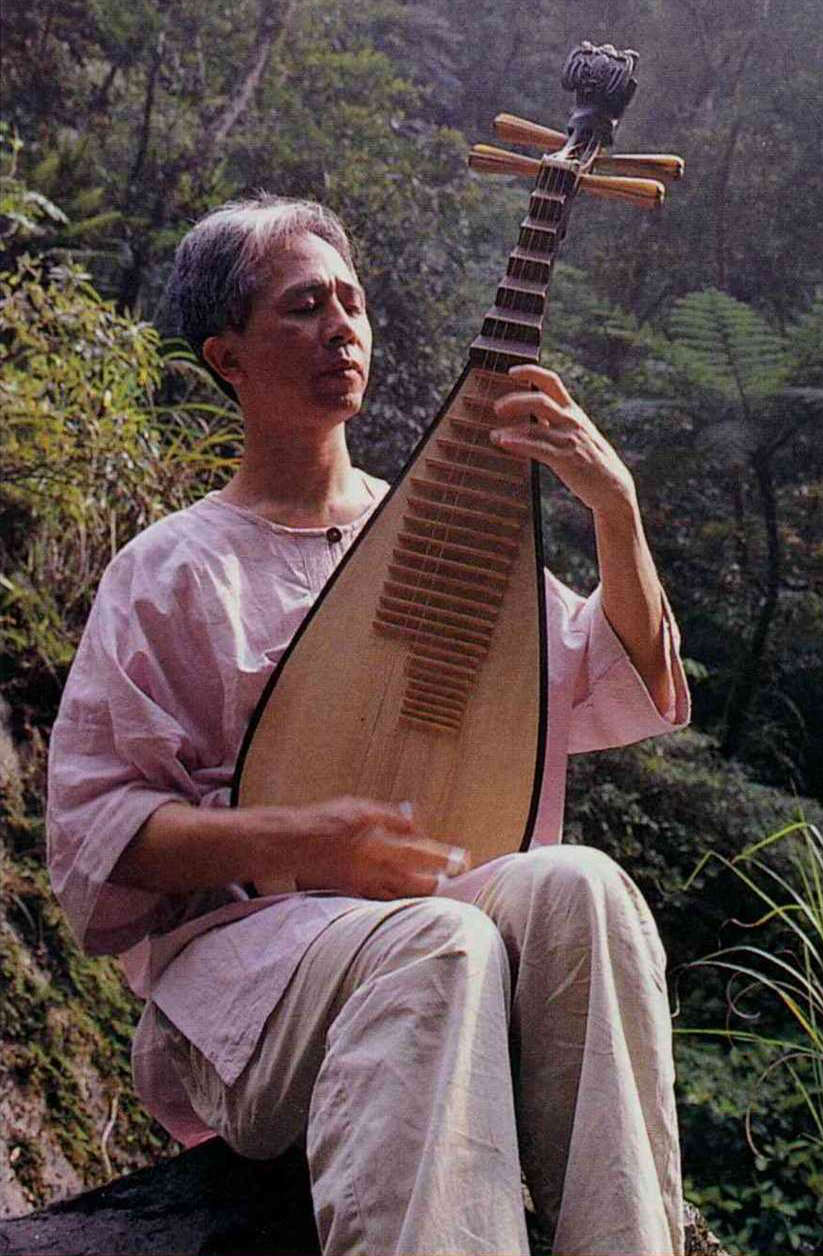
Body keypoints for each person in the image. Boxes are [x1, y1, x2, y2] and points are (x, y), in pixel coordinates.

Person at [46, 194, 690, 1256]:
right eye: (304, 307)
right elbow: (98, 830)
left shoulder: (432, 533)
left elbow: (618, 674)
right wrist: (306, 839)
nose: (341, 328)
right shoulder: (169, 570)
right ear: (227, 356)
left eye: (352, 302)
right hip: (248, 971)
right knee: (446, 938)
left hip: (429, 923)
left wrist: (612, 506)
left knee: (584, 884)